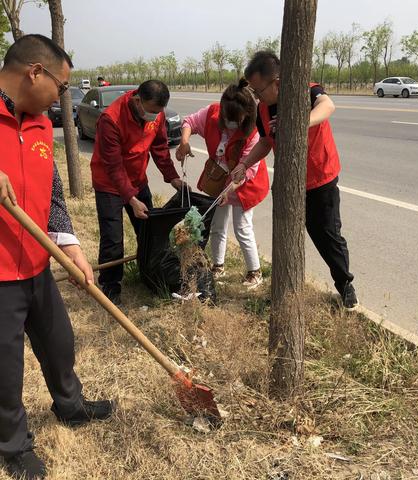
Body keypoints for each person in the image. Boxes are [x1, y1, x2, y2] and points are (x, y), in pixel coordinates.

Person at [0, 34, 114, 480]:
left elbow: (52, 197)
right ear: (35, 72)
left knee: (59, 343)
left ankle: (71, 406)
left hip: (36, 262)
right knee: (5, 369)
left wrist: (73, 251)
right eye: (62, 87)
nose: (63, 95)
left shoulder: (42, 124)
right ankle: (13, 444)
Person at [232, 51, 358, 309]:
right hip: (289, 183)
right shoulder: (263, 109)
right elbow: (266, 142)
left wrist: (300, 122)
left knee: (327, 235)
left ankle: (344, 285)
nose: (256, 96)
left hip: (320, 177)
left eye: (258, 90)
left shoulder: (307, 92)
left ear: (276, 82)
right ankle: (286, 289)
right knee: (286, 235)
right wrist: (244, 164)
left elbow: (328, 106)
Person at [91, 79, 185, 304]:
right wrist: (130, 199)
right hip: (109, 185)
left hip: (138, 180)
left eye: (159, 112)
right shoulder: (110, 119)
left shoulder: (156, 115)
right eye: (152, 111)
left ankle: (150, 273)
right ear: (137, 101)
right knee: (113, 239)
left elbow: (160, 148)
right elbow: (113, 166)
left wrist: (172, 178)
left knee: (149, 230)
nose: (155, 116)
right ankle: (111, 287)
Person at [176, 80, 269, 289]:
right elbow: (189, 122)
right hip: (219, 182)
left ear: (247, 115)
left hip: (244, 184)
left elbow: (247, 170)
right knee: (217, 225)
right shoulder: (212, 114)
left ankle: (255, 271)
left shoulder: (254, 133)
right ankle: (218, 265)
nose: (229, 124)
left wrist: (230, 189)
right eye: (227, 119)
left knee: (242, 227)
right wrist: (184, 141)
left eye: (235, 121)